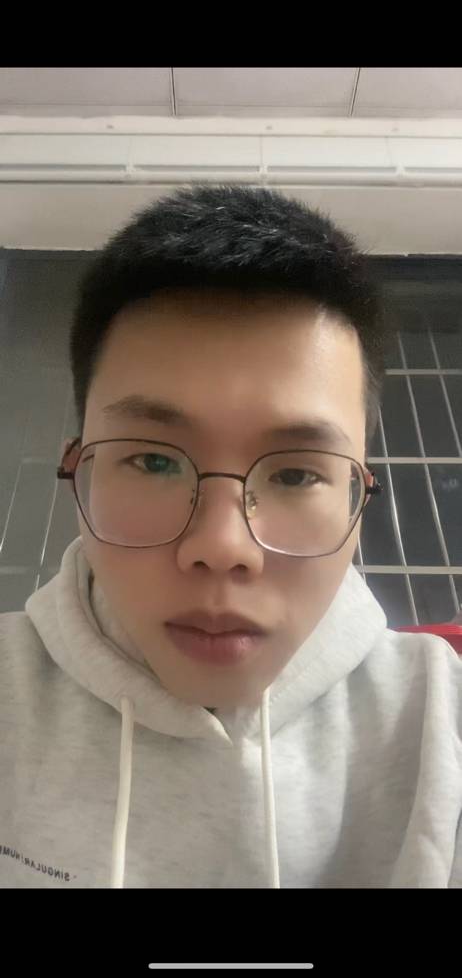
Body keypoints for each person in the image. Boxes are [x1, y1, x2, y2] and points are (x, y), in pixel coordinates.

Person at [0, 185, 461, 889]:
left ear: (358, 496)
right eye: (153, 461)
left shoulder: (439, 721)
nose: (222, 547)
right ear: (78, 470)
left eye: (297, 474)